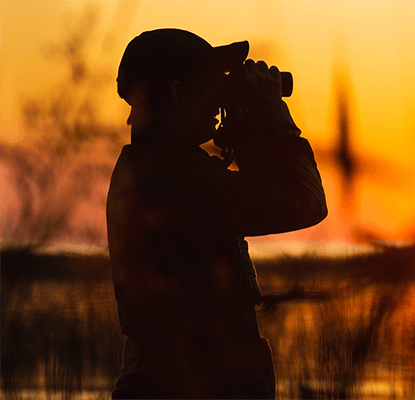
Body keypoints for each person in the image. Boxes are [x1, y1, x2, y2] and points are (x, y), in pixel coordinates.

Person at [106, 28, 327, 399]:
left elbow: (258, 198)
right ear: (177, 94)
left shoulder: (151, 169)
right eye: (211, 85)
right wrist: (274, 118)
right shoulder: (179, 178)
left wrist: (249, 139)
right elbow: (303, 201)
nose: (219, 98)